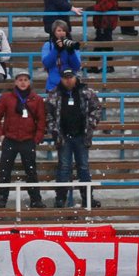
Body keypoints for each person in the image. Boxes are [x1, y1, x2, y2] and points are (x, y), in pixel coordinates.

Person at [45, 68, 102, 208]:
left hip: (81, 136)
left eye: (70, 77)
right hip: (63, 136)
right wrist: (55, 131)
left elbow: (96, 109)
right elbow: (48, 114)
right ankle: (61, 198)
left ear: (75, 78)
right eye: (65, 77)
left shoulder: (86, 93)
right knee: (64, 167)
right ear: (61, 79)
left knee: (83, 167)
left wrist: (90, 125)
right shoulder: (54, 94)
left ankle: (87, 198)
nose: (68, 80)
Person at [0, 71, 46, 209]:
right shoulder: (6, 98)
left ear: (29, 82)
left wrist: (37, 138)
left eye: (26, 80)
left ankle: (35, 199)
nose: (23, 82)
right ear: (15, 82)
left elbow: (41, 120)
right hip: (10, 139)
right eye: (20, 79)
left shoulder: (36, 99)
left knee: (31, 171)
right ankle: (2, 199)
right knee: (5, 171)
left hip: (28, 140)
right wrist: (0, 136)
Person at [42, 19, 82, 92]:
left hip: (69, 85)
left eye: (64, 31)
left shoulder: (72, 45)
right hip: (53, 86)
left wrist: (71, 52)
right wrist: (56, 50)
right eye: (59, 30)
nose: (62, 33)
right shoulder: (48, 45)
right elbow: (47, 64)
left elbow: (76, 66)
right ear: (54, 32)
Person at [90, 0, 122, 74]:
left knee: (106, 44)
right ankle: (93, 65)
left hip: (105, 24)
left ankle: (108, 66)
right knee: (98, 44)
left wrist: (93, 8)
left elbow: (103, 7)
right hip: (103, 24)